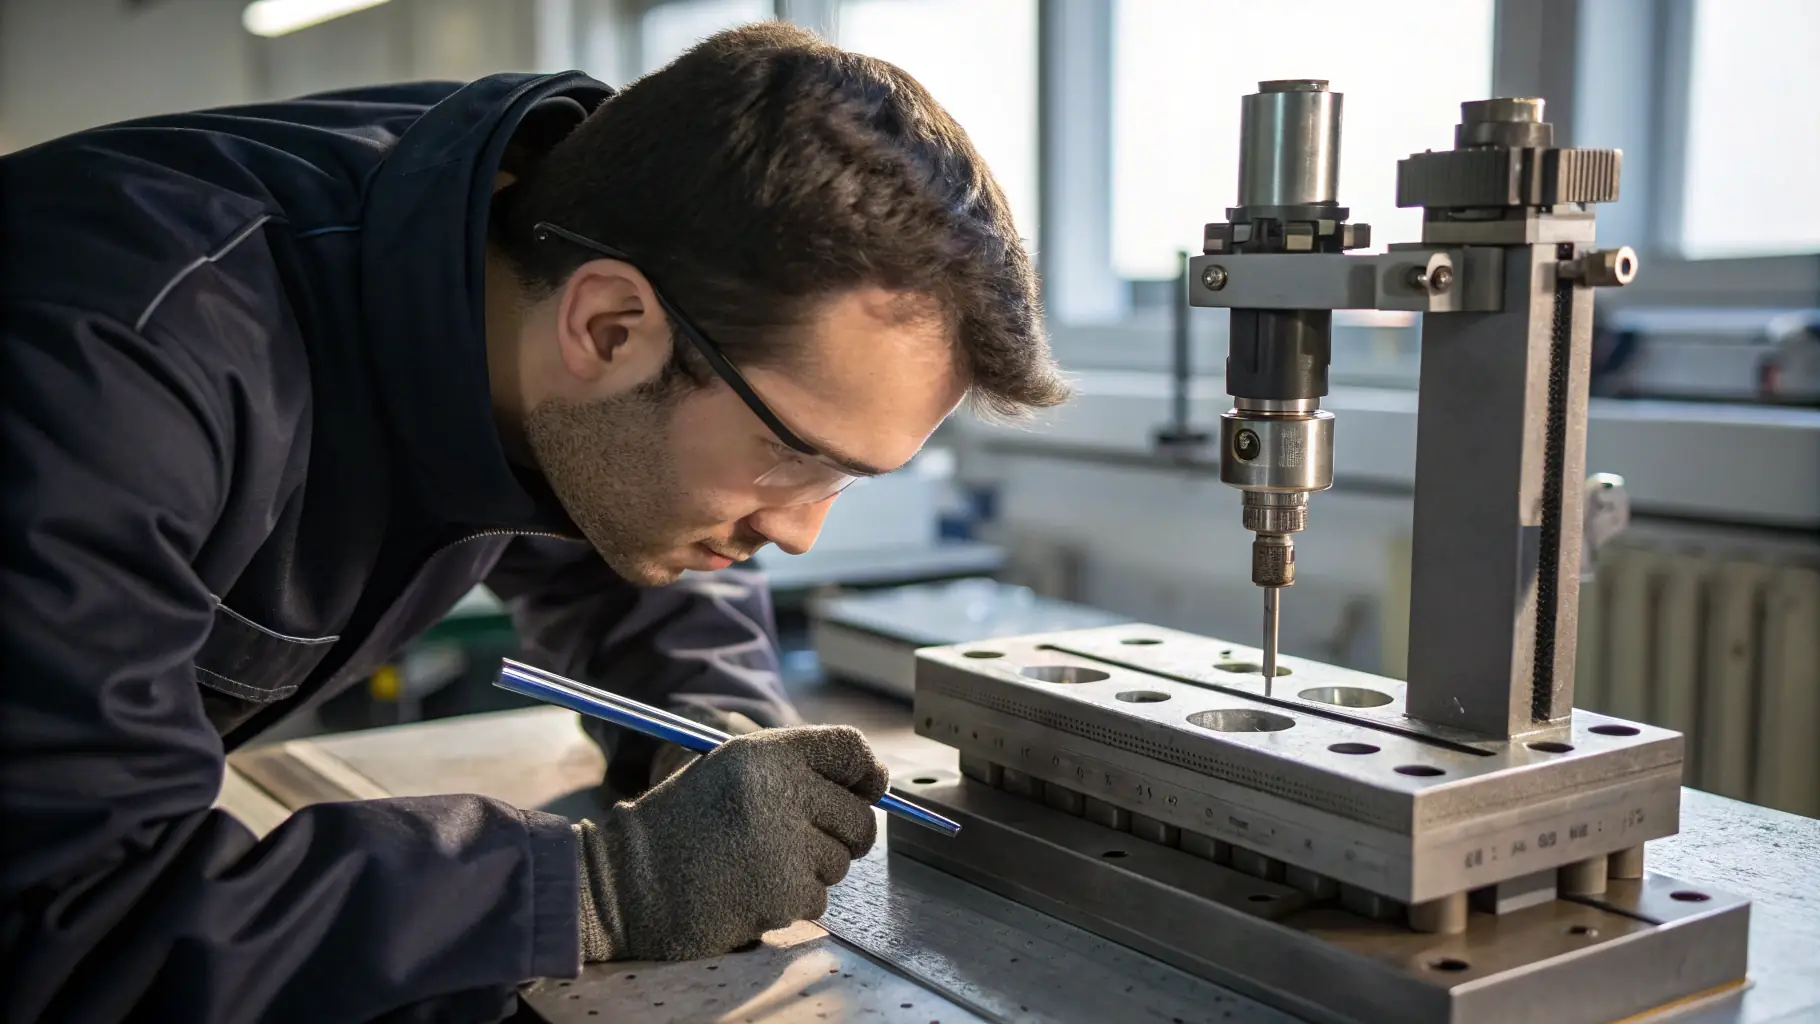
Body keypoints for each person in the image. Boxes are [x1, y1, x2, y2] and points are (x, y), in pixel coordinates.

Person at [0, 21, 1067, 1023]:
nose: (800, 537)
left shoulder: (530, 244)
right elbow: (68, 922)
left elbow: (609, 487)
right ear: (607, 325)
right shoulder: (102, 377)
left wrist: (707, 723)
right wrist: (587, 887)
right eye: (795, 456)